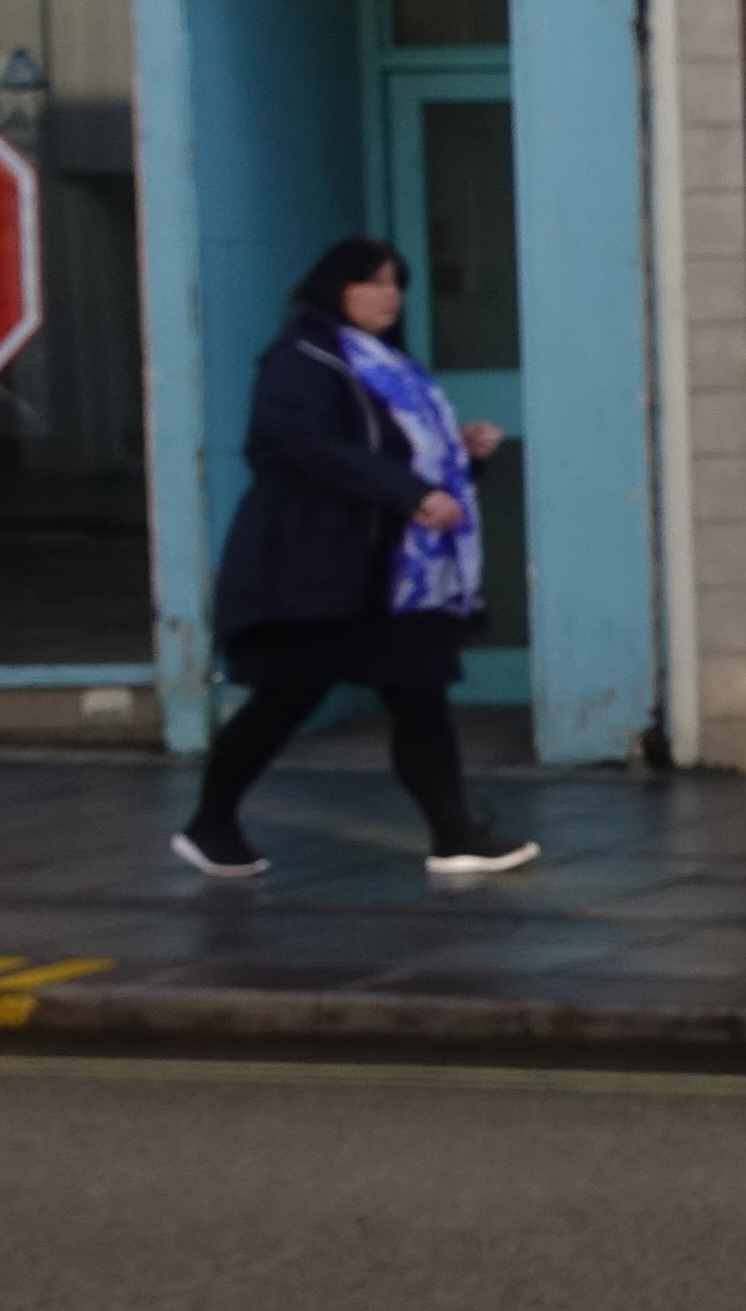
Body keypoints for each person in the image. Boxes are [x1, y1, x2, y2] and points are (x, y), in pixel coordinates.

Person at [173, 239, 543, 880]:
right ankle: (210, 823)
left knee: (418, 693)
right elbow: (316, 450)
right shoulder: (301, 359)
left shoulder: (388, 363)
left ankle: (454, 834)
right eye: (371, 283)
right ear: (334, 288)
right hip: (315, 564)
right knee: (287, 696)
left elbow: (395, 451)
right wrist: (411, 491)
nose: (389, 296)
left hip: (394, 568)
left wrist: (461, 457)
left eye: (397, 283)